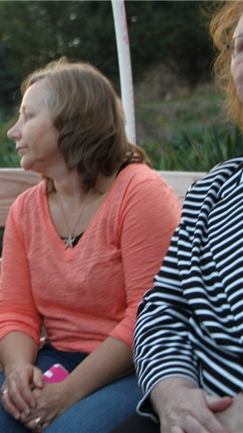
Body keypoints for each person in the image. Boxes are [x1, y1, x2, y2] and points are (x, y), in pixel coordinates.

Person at [0, 59, 182, 433]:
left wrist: (69, 392)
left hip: (135, 365)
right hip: (57, 358)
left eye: (28, 116)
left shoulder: (140, 193)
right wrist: (18, 369)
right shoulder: (26, 209)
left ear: (73, 122)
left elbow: (148, 315)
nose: (13, 131)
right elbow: (14, 309)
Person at [111, 2, 243, 432]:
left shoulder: (137, 191)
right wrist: (171, 392)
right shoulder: (214, 189)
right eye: (241, 48)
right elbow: (162, 306)